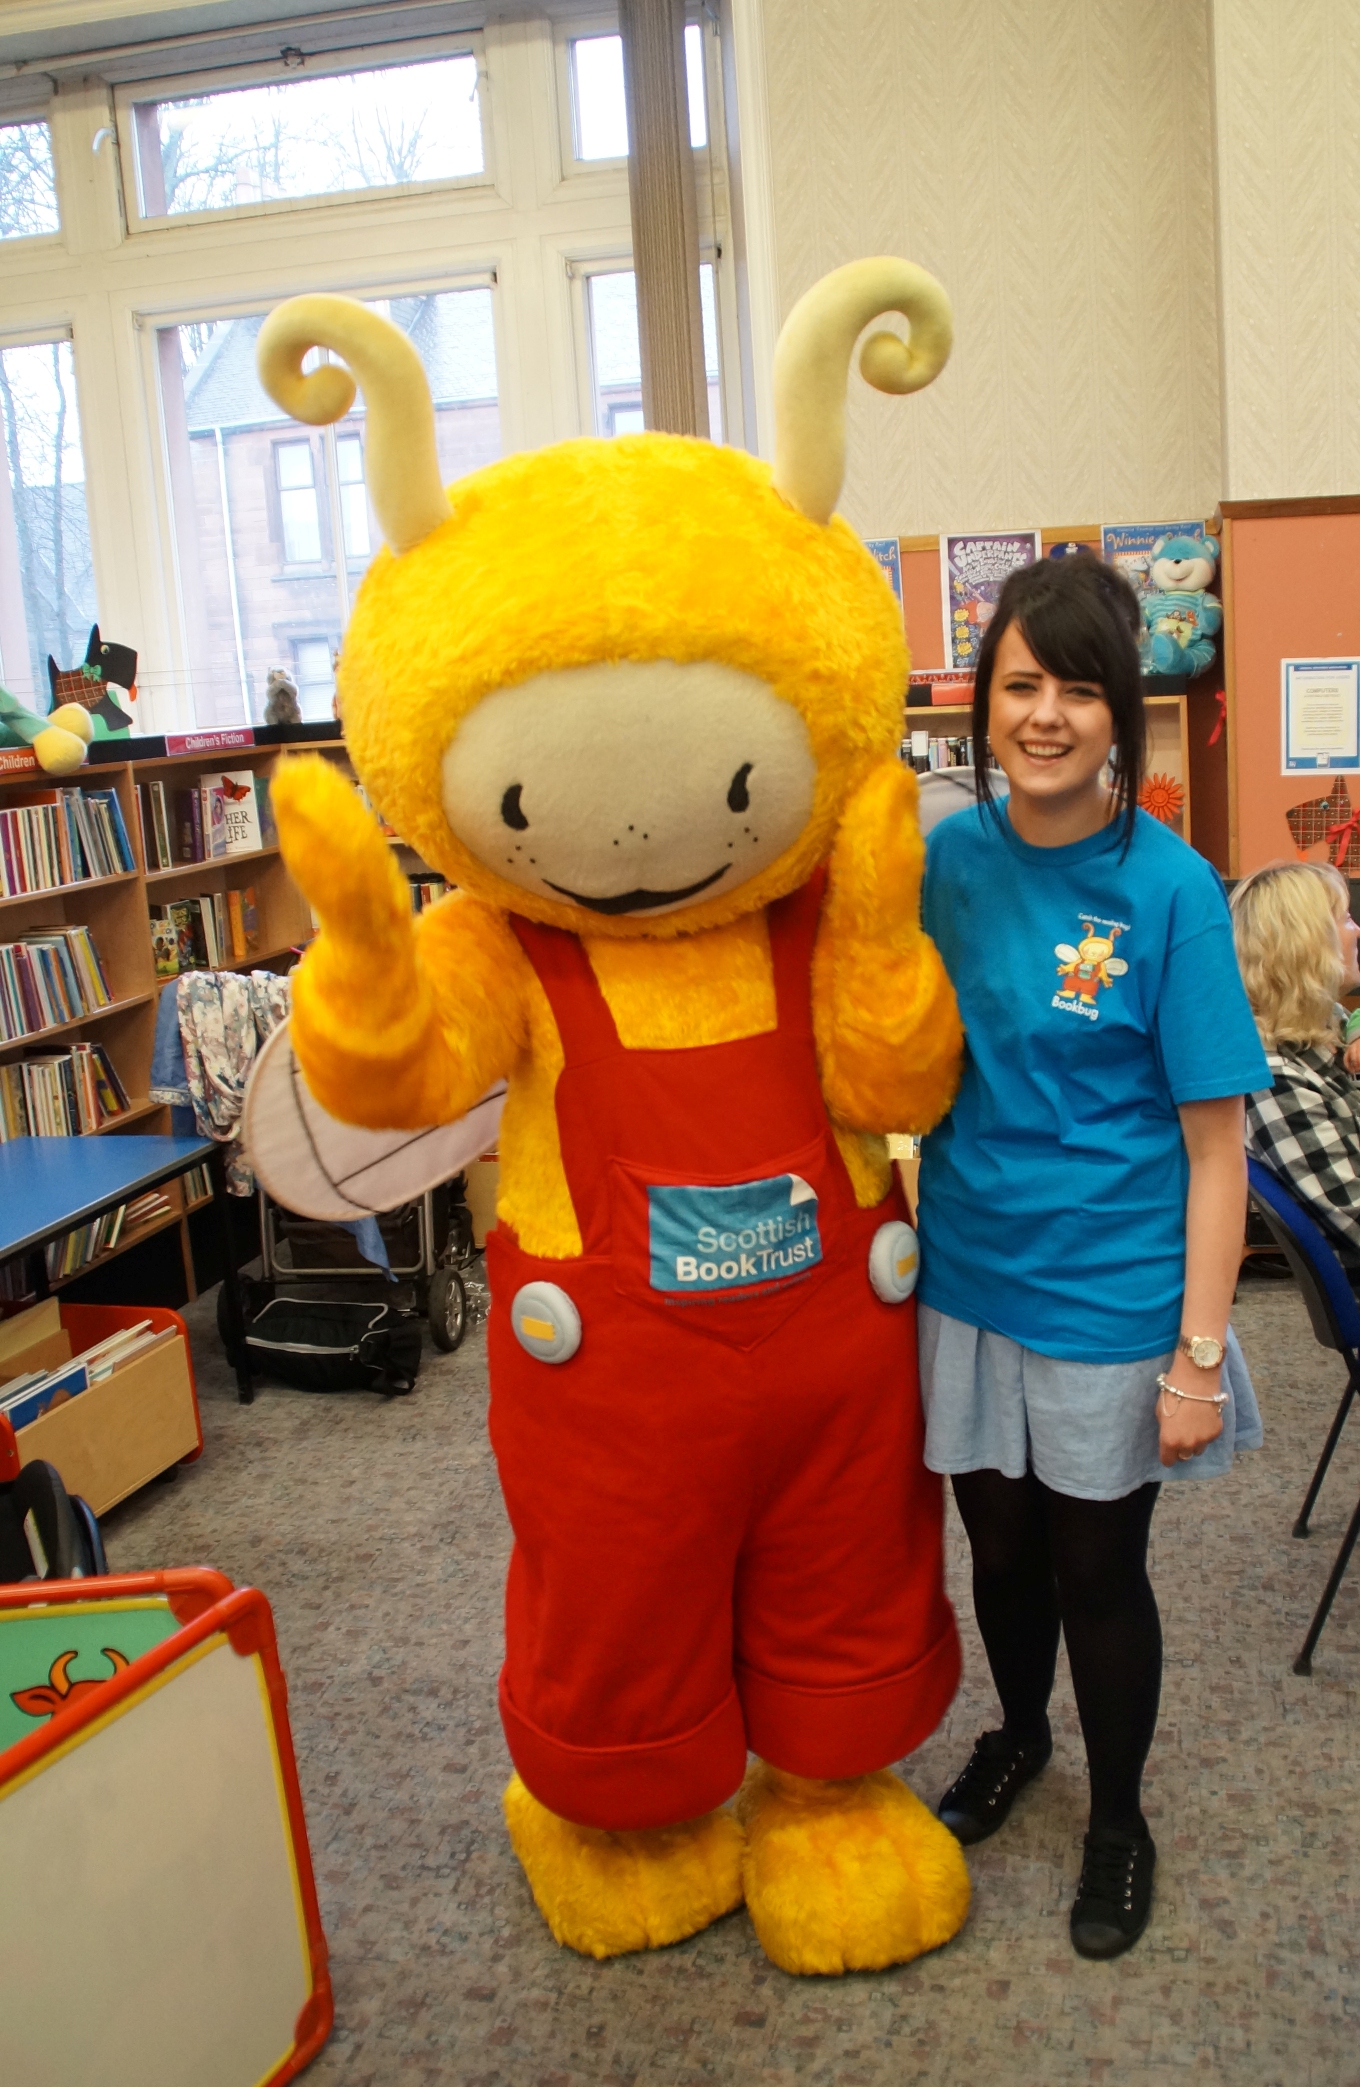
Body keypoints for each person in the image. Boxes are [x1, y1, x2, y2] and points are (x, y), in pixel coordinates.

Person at [915, 552, 1270, 1961]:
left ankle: (1119, 1815)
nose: (1045, 714)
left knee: (1097, 1567)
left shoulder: (1169, 890)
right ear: (982, 703)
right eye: (1019, 684)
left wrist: (1196, 1357)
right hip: (965, 1273)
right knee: (994, 1546)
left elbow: (1217, 1146)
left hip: (1112, 1293)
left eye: (1076, 687)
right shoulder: (945, 858)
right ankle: (1018, 1733)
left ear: (1123, 708)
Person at [1230, 859, 1360, 1253]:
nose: (1357, 930)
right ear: (1308, 943)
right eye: (1347, 917)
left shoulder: (1332, 1028)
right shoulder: (1274, 1078)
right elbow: (1354, 1216)